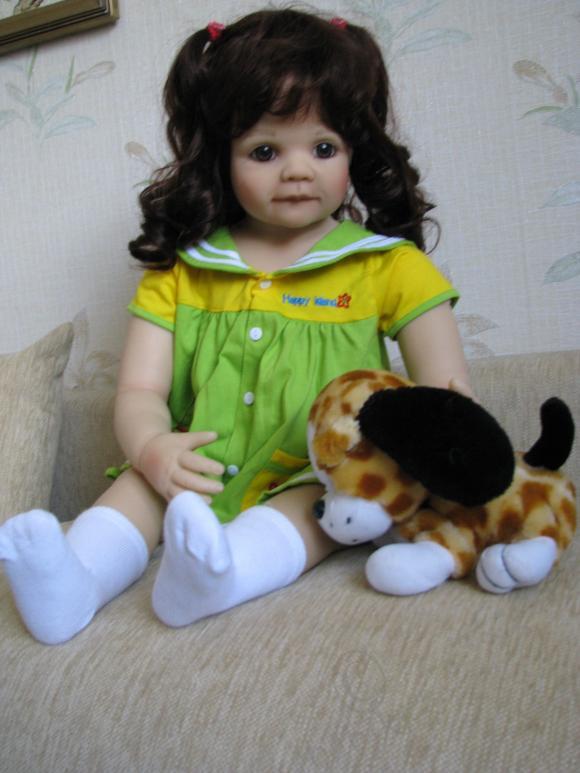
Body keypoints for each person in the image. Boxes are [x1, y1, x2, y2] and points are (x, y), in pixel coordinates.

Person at [0, 8, 473, 645]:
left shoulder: (387, 266)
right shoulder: (183, 270)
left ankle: (224, 577)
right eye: (265, 151)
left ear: (355, 150)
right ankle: (72, 582)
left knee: (317, 507)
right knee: (140, 489)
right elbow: (139, 391)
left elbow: (446, 399)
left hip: (317, 468)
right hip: (197, 462)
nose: (298, 170)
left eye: (323, 147)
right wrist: (153, 448)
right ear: (220, 156)